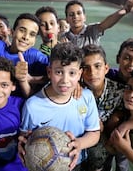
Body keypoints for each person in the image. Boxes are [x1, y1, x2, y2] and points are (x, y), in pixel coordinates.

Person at [19, 42, 100, 171]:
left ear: (79, 74)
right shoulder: (32, 106)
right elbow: (24, 137)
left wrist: (79, 143)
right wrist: (23, 144)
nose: (65, 80)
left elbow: (94, 132)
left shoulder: (86, 97)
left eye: (72, 73)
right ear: (49, 72)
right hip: (43, 167)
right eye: (59, 72)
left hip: (76, 164)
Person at [63, 0, 133, 47]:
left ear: (84, 17)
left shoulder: (92, 30)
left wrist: (124, 10)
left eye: (79, 13)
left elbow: (106, 23)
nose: (75, 17)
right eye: (71, 14)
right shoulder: (62, 37)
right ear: (66, 19)